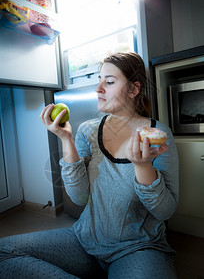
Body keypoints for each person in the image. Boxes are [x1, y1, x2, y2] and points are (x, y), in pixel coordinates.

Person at [0, 52, 179, 279]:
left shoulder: (158, 136)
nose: (98, 88)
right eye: (99, 80)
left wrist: (142, 166)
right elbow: (79, 197)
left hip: (138, 248)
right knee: (3, 252)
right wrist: (66, 140)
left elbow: (165, 210)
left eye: (109, 82)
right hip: (84, 240)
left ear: (134, 90)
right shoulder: (87, 130)